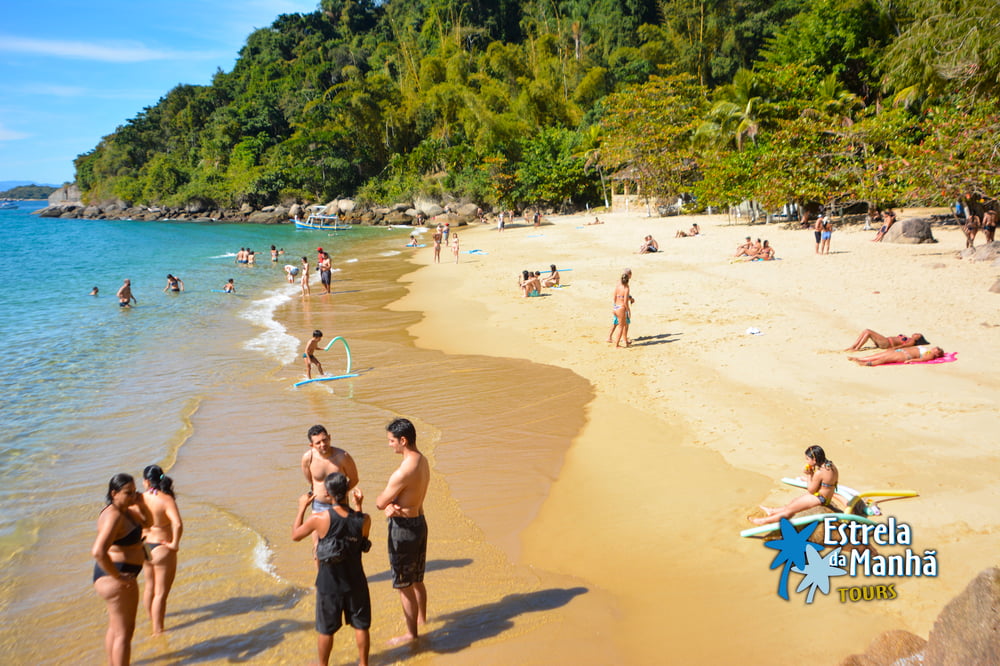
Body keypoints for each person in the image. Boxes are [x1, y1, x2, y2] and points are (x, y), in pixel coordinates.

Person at [292, 473, 372, 666]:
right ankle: (363, 664)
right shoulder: (364, 519)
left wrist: (302, 506)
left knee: (326, 629)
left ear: (327, 493)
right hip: (356, 581)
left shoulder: (318, 518)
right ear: (348, 492)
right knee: (360, 626)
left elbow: (295, 535)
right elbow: (362, 542)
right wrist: (359, 505)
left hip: (330, 583)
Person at [376, 418, 430, 646]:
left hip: (404, 530)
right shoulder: (423, 460)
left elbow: (379, 502)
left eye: (391, 440)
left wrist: (387, 505)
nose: (390, 445)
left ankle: (411, 634)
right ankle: (421, 620)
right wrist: (391, 504)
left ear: (403, 440)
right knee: (417, 579)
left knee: (404, 585)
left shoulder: (402, 472)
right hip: (420, 523)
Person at [92, 473, 151, 666]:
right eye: (128, 493)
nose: (133, 496)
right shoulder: (114, 515)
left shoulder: (125, 509)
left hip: (114, 575)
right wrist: (118, 577)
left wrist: (140, 503)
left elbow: (148, 523)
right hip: (116, 577)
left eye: (135, 492)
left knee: (116, 629)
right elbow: (98, 552)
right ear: (114, 493)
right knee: (124, 634)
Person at [141, 465, 183, 635]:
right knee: (161, 594)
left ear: (145, 481)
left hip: (144, 545)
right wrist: (174, 544)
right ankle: (157, 631)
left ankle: (150, 619)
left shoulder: (139, 498)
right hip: (161, 547)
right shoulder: (166, 499)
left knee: (149, 586)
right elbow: (178, 524)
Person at [751, 446, 838, 525]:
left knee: (790, 510)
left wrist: (809, 475)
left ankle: (763, 521)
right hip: (825, 497)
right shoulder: (830, 465)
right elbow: (825, 482)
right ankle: (772, 511)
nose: (806, 461)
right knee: (794, 502)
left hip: (820, 498)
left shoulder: (820, 472)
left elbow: (811, 490)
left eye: (807, 459)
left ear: (814, 460)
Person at [302, 425, 360, 517]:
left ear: (329, 437)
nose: (323, 444)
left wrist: (341, 493)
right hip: (319, 505)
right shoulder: (308, 458)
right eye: (318, 443)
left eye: (325, 440)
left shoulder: (343, 457)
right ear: (311, 445)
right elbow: (311, 481)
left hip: (340, 504)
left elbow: (354, 479)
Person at [848, 345, 945, 366]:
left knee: (885, 358)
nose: (934, 348)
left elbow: (923, 359)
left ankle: (867, 363)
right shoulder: (928, 350)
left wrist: (911, 360)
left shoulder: (931, 355)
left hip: (905, 355)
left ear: (937, 353)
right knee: (880, 354)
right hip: (901, 351)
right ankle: (860, 359)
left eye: (937, 349)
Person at [844, 330, 928, 352]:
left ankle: (857, 348)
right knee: (866, 332)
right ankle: (853, 346)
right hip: (885, 341)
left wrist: (894, 348)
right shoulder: (909, 338)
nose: (916, 334)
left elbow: (903, 346)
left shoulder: (912, 342)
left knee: (868, 332)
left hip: (886, 343)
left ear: (918, 339)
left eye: (918, 335)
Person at [610, 271, 632, 348]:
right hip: (621, 308)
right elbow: (625, 301)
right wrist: (628, 310)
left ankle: (625, 341)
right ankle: (617, 345)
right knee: (621, 327)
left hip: (615, 307)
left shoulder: (618, 286)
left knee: (622, 325)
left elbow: (614, 297)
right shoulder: (626, 288)